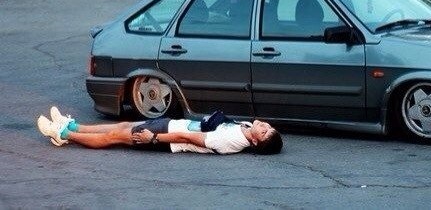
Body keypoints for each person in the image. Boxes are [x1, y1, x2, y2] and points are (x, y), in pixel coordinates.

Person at [36, 106, 282, 155]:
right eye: (268, 126)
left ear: (256, 143)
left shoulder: (229, 141)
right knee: (122, 126)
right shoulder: (245, 129)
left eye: (264, 132)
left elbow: (187, 137)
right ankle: (73, 126)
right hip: (171, 124)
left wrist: (153, 138)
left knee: (113, 137)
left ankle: (62, 135)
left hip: (165, 136)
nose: (264, 126)